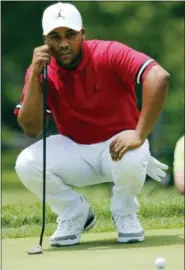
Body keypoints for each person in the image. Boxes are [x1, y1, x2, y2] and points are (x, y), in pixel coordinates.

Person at [14, 2, 170, 247]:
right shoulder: (40, 70)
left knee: (131, 152)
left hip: (118, 147)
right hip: (75, 150)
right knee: (26, 163)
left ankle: (125, 212)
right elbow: (31, 128)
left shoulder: (108, 52)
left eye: (71, 35)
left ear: (83, 34)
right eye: (55, 37)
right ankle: (74, 213)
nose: (63, 43)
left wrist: (140, 134)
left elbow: (158, 77)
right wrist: (34, 74)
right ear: (45, 39)